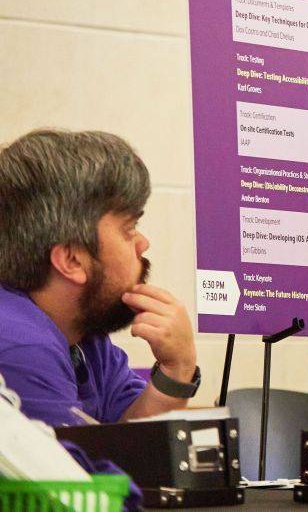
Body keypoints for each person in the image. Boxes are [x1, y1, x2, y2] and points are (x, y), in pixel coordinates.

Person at [0, 129, 200, 426]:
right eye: (129, 229)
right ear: (72, 260)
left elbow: (130, 437)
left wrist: (177, 369)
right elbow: (80, 460)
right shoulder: (21, 347)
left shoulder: (83, 336)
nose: (143, 243)